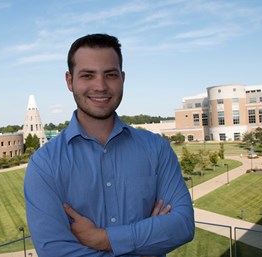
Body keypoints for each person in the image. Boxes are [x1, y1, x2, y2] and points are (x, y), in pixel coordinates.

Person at [24, 33, 195, 256]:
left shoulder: (157, 149)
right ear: (69, 81)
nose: (101, 86)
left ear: (122, 78)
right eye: (87, 75)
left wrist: (103, 239)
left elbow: (182, 226)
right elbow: (56, 252)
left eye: (110, 75)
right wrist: (147, 240)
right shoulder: (44, 164)